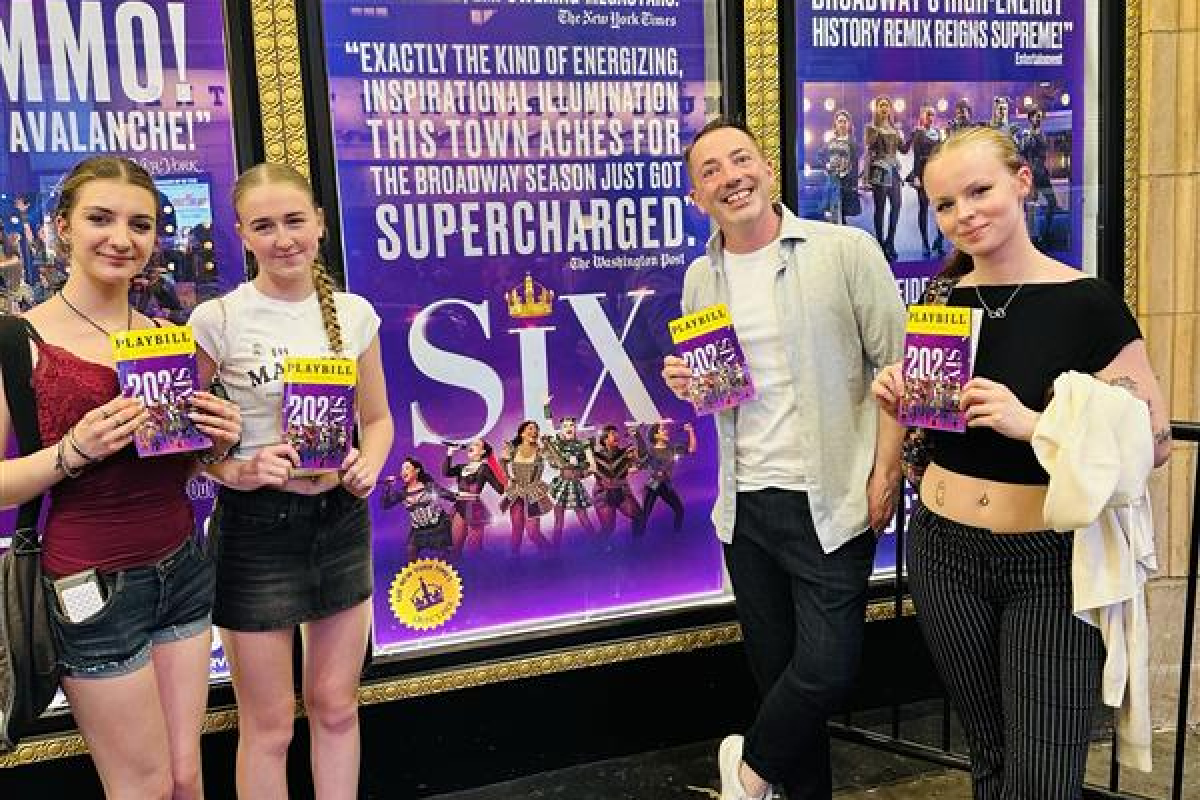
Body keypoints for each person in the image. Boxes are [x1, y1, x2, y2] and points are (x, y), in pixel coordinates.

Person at [870, 126, 1171, 799]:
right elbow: (930, 426)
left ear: (1022, 182)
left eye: (980, 190)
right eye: (946, 204)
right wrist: (899, 397)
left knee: (1042, 779)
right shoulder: (942, 300)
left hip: (1050, 564)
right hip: (944, 552)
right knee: (991, 758)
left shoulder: (1086, 303)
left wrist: (1034, 424)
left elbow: (1153, 441)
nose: (965, 214)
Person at [662, 117, 907, 800]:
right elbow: (723, 394)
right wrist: (692, 387)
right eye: (710, 170)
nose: (730, 177)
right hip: (746, 509)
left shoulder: (844, 251)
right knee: (779, 685)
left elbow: (897, 368)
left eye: (740, 159)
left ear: (767, 169)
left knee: (826, 670)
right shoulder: (700, 277)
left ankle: (746, 775)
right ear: (697, 196)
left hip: (831, 500)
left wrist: (886, 473)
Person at [0, 155, 241, 799]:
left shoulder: (165, 335)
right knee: (144, 786)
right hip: (91, 588)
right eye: (100, 219)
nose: (121, 238)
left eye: (140, 224)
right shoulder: (19, 339)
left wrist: (216, 441)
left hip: (183, 569)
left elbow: (184, 463)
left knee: (186, 777)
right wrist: (71, 451)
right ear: (63, 227)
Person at [190, 162, 394, 799]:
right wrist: (238, 470)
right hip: (255, 531)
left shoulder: (354, 315)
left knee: (335, 704)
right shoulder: (217, 320)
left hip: (340, 521)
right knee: (270, 724)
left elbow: (378, 419)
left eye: (294, 221)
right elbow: (181, 442)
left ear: (320, 224)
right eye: (264, 226)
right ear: (241, 234)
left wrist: (368, 462)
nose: (283, 239)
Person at [382, 457, 456, 561]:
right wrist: (387, 487)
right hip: (418, 531)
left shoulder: (429, 486)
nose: (403, 472)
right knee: (411, 555)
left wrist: (460, 496)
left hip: (439, 527)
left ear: (416, 470)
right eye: (402, 469)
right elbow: (385, 505)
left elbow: (451, 497)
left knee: (447, 559)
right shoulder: (402, 493)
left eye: (407, 468)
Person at [864, 95, 909, 261]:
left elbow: (903, 150)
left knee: (897, 205)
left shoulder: (895, 129)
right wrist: (866, 177)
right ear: (877, 109)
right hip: (879, 170)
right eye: (881, 105)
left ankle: (890, 241)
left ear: (890, 109)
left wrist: (913, 136)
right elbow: (869, 146)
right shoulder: (871, 127)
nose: (884, 108)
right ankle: (880, 244)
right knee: (880, 208)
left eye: (887, 105)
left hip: (894, 170)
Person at [498, 420, 554, 555]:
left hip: (533, 493)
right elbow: (502, 462)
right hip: (516, 492)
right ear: (522, 433)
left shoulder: (541, 450)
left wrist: (549, 445)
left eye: (536, 429)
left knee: (533, 532)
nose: (534, 431)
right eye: (530, 428)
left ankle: (552, 556)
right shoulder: (513, 449)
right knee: (516, 530)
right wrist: (507, 478)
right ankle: (514, 561)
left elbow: (555, 462)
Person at [543, 413, 597, 546]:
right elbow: (549, 425)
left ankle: (599, 546)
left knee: (583, 518)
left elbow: (593, 467)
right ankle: (555, 551)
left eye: (571, 425)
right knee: (558, 520)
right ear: (561, 429)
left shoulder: (583, 444)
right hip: (560, 484)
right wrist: (546, 407)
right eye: (565, 426)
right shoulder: (558, 444)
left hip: (575, 484)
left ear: (575, 427)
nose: (568, 428)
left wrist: (579, 468)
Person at [639, 420, 696, 532]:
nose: (666, 431)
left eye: (666, 429)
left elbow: (692, 449)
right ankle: (638, 537)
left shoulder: (672, 448)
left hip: (666, 485)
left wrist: (690, 431)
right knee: (645, 515)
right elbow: (641, 462)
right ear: (656, 435)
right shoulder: (650, 451)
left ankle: (677, 535)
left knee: (679, 510)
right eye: (663, 429)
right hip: (653, 485)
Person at [905, 104, 945, 258]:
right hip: (922, 173)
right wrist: (916, 176)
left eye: (932, 114)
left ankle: (939, 240)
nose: (930, 117)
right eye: (927, 114)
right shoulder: (918, 133)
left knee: (941, 208)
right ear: (922, 116)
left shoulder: (938, 133)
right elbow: (916, 156)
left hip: (937, 173)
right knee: (923, 209)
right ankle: (925, 243)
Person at [1018, 106, 1059, 249]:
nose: (1040, 118)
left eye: (1041, 116)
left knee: (1052, 203)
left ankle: (1044, 233)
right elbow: (1022, 152)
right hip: (1033, 174)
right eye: (1037, 116)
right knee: (1031, 206)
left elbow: (1044, 151)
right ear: (1031, 118)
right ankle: (1031, 237)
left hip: (1042, 173)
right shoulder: (1027, 134)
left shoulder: (1042, 134)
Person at [815, 109, 861, 225]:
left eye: (844, 121)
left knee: (842, 214)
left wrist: (854, 183)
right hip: (832, 180)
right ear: (835, 123)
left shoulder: (852, 143)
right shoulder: (831, 141)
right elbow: (819, 155)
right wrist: (826, 164)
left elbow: (855, 165)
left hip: (846, 181)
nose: (842, 124)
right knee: (832, 213)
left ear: (849, 124)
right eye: (840, 121)